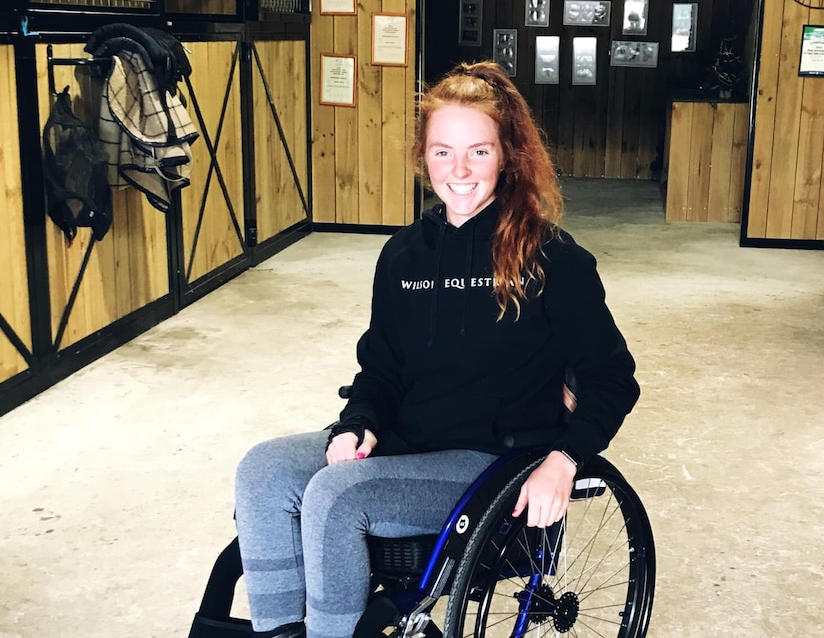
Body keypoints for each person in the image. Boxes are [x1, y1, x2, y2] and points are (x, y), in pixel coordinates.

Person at [233, 60, 639, 638]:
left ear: (508, 155)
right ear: (423, 157)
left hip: (492, 461)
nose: (460, 170)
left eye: (479, 151)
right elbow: (382, 366)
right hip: (407, 438)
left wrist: (563, 460)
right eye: (443, 151)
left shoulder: (551, 258)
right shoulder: (403, 255)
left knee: (335, 497)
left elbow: (613, 378)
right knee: (264, 470)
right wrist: (360, 422)